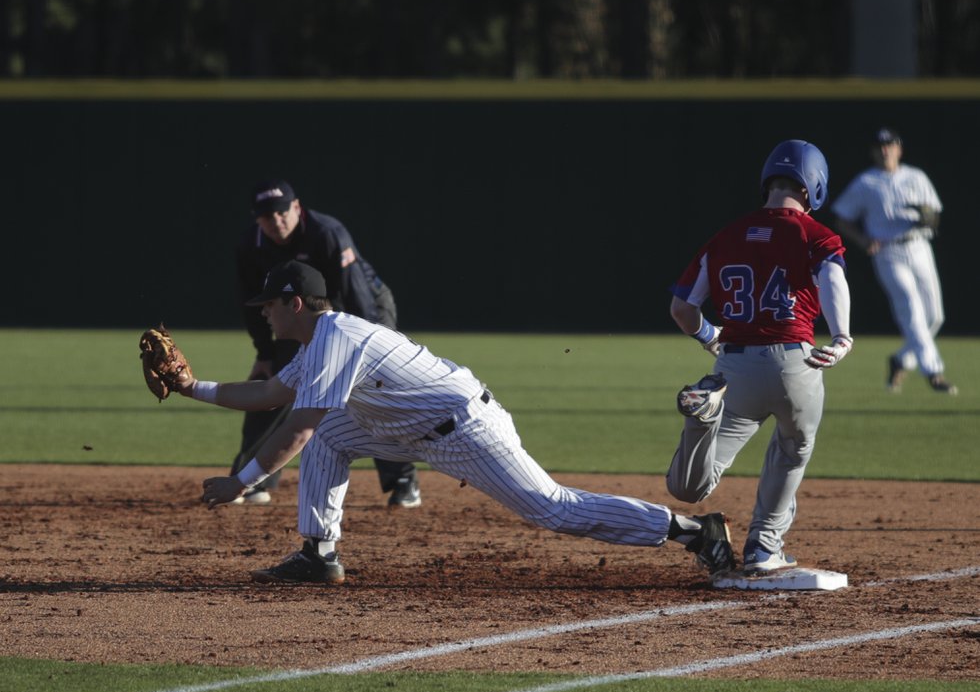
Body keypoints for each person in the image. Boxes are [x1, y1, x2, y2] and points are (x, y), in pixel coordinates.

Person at [184, 260, 735, 584]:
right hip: (408, 430)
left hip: (464, 427)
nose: (263, 312)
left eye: (269, 304)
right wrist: (191, 387)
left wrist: (242, 481)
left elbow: (297, 424)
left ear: (295, 302)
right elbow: (267, 394)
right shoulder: (314, 345)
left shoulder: (338, 335)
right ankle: (318, 552)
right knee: (333, 435)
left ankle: (693, 531)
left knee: (552, 508)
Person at [667, 139, 852, 573]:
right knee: (792, 448)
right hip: (795, 364)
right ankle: (763, 547)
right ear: (813, 188)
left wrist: (711, 336)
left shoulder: (726, 234)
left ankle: (702, 420)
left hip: (734, 368)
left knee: (691, 488)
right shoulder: (816, 235)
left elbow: (681, 309)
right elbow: (834, 279)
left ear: (767, 182)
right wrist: (842, 337)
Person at [232, 178, 423, 507]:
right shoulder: (251, 245)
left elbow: (357, 297)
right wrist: (265, 353)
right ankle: (251, 478)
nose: (275, 220)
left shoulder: (326, 233)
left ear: (296, 207)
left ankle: (402, 479)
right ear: (256, 218)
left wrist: (373, 349)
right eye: (266, 216)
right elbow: (256, 305)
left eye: (281, 212)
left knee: (374, 389)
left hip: (362, 306)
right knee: (272, 381)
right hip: (300, 315)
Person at [830, 128, 956, 395]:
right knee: (910, 307)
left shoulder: (916, 176)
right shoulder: (866, 182)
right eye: (880, 146)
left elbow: (934, 214)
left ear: (899, 148)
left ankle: (902, 359)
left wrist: (927, 217)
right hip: (888, 252)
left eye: (890, 145)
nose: (885, 150)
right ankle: (935, 373)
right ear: (874, 151)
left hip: (919, 246)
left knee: (935, 316)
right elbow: (841, 217)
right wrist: (863, 240)